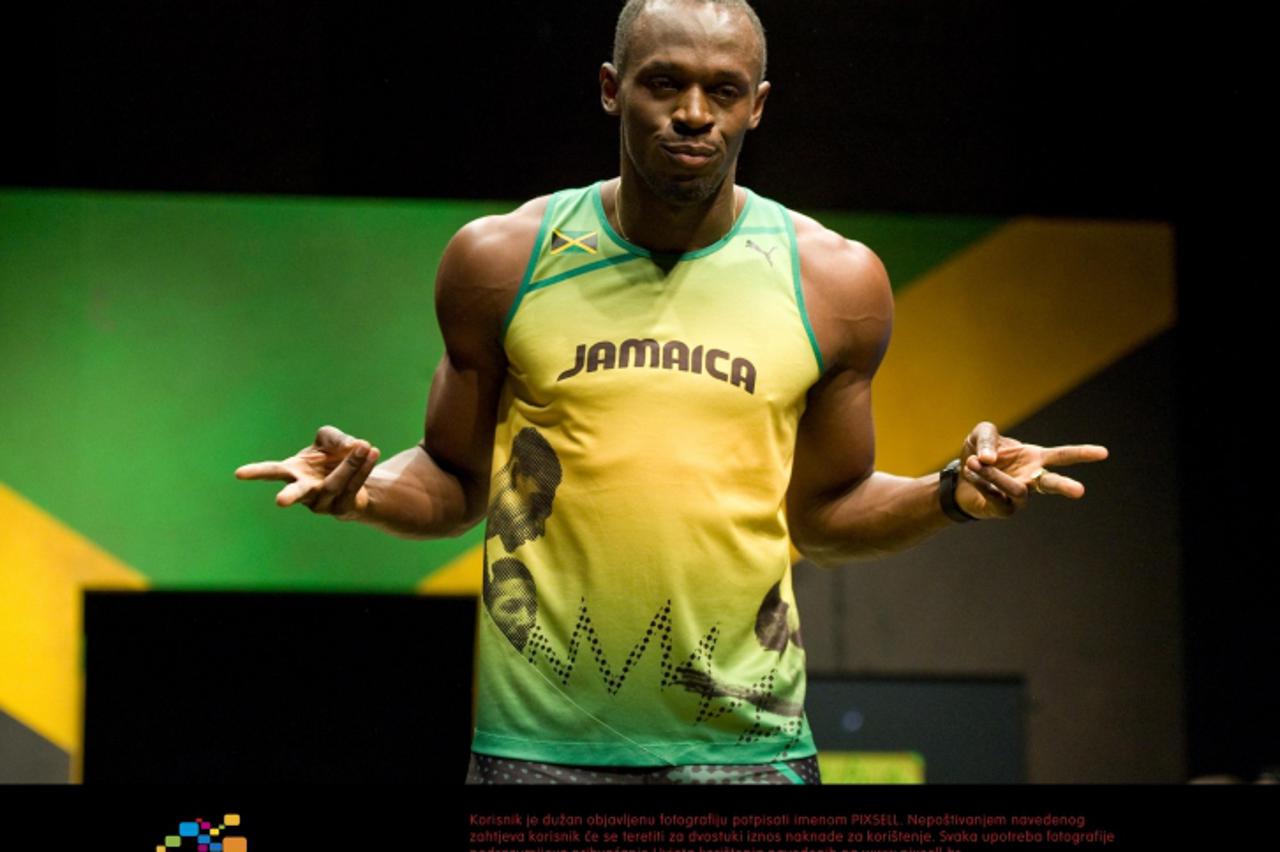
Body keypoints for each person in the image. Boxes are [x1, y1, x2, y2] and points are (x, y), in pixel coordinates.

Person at [236, 0, 1107, 784]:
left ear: (757, 104)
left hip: (750, 755)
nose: (694, 113)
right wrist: (365, 493)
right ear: (613, 90)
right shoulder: (500, 261)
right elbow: (457, 482)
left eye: (723, 91)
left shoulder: (835, 282)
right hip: (538, 755)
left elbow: (826, 515)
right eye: (665, 84)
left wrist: (952, 492)